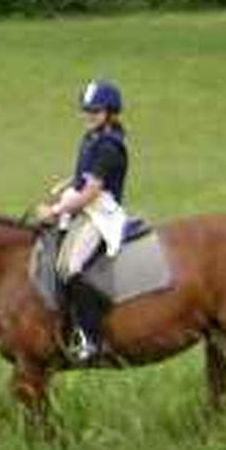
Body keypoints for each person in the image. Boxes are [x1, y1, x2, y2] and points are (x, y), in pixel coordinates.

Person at [35, 79, 131, 363]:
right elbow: (83, 177)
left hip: (100, 212)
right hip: (83, 204)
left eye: (96, 110)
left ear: (111, 112)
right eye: (87, 109)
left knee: (72, 267)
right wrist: (64, 188)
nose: (89, 114)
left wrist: (55, 211)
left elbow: (91, 192)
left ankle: (91, 338)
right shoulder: (91, 138)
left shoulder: (108, 146)